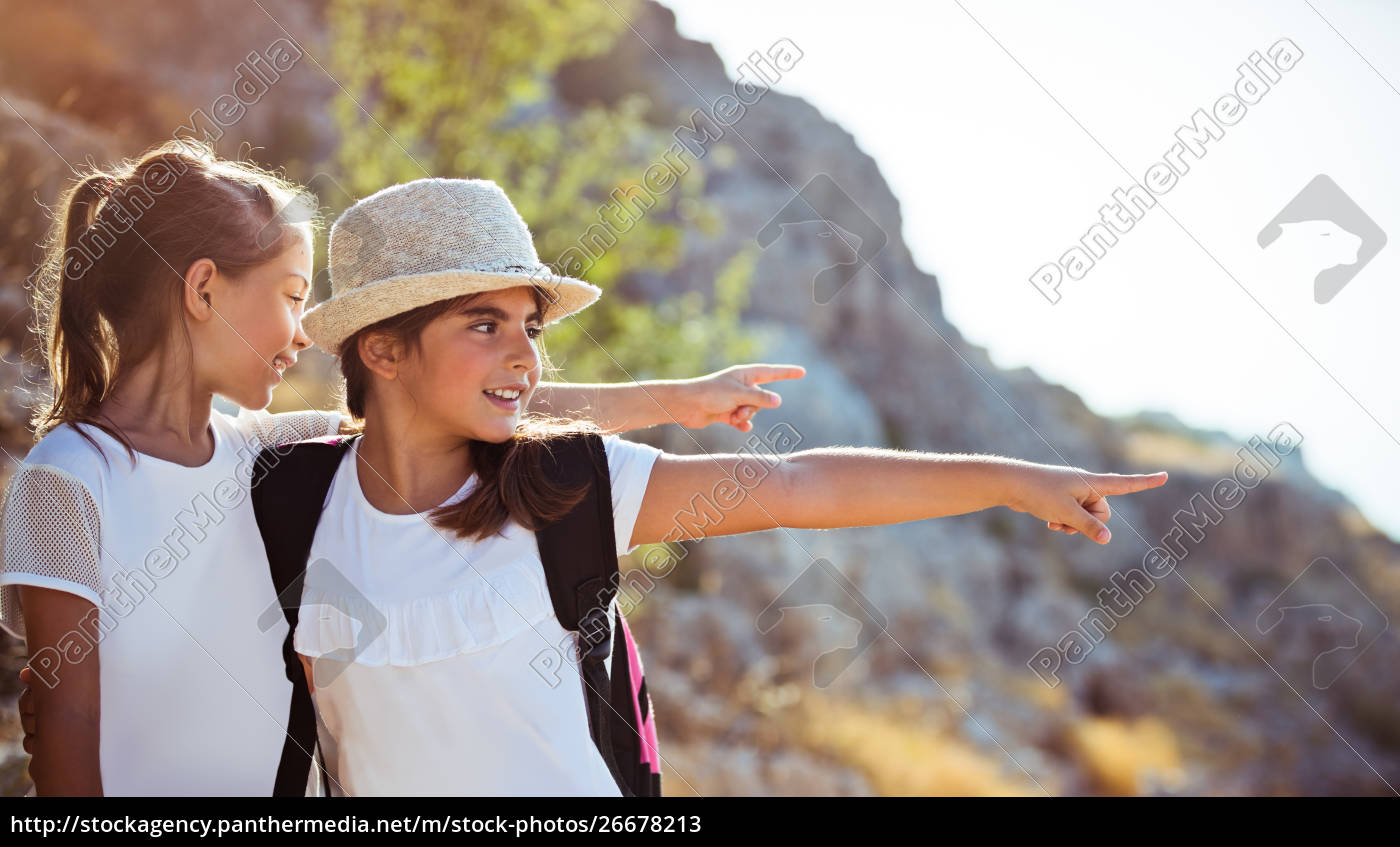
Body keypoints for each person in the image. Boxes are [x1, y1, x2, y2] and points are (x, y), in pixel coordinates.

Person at [284, 177, 1168, 796]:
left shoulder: (568, 483)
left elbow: (798, 484)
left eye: (531, 324)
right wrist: (665, 395)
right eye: (485, 323)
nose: (525, 352)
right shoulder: (284, 492)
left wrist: (1010, 481)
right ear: (383, 347)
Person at [1, 141, 805, 796]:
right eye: (288, 295)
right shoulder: (71, 476)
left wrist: (677, 398)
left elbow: (468, 404)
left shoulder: (261, 452)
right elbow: (62, 721)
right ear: (204, 289)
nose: (303, 334)